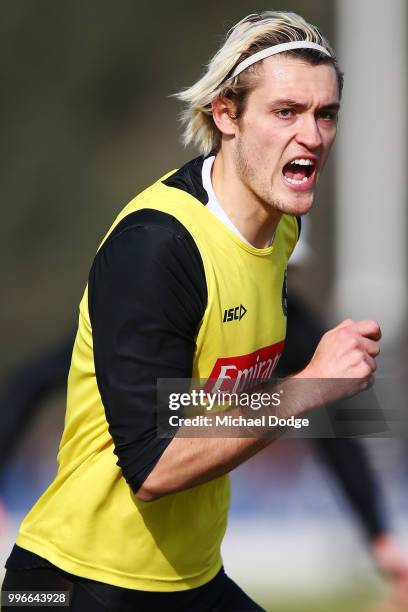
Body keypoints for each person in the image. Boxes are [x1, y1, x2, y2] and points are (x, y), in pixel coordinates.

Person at [2, 11, 382, 611]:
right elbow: (153, 467)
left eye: (324, 114)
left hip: (191, 583)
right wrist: (308, 388)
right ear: (225, 115)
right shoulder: (157, 245)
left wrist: (381, 535)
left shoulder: (282, 231)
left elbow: (294, 385)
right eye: (285, 112)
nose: (311, 134)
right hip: (69, 584)